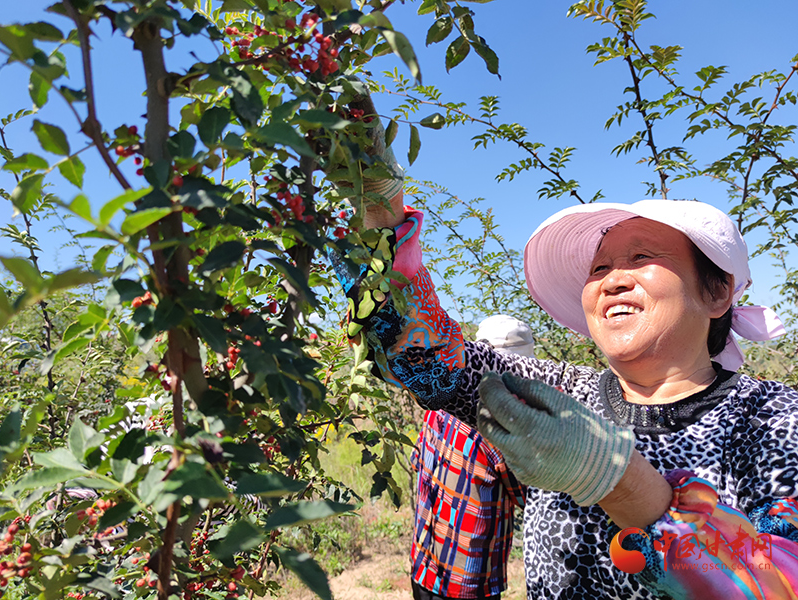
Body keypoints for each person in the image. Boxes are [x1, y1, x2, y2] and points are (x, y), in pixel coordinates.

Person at [330, 107, 798, 598]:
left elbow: (779, 582)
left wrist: (619, 481)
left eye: (642, 258)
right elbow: (431, 360)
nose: (612, 280)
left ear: (718, 292)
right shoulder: (562, 394)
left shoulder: (772, 420)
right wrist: (382, 216)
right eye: (599, 268)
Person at [410, 316, 533, 600]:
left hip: (426, 565)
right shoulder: (502, 428)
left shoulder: (440, 404)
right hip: (469, 580)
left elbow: (419, 461)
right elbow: (529, 496)